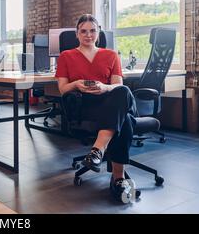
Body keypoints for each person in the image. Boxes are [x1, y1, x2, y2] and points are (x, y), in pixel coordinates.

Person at [55, 14, 137, 200]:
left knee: (122, 91)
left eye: (92, 30)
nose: (88, 35)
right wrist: (76, 84)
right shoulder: (66, 56)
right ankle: (118, 179)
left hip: (109, 103)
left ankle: (97, 150)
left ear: (98, 32)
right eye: (83, 31)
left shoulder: (111, 55)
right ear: (77, 34)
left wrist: (104, 87)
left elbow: (117, 85)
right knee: (126, 120)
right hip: (85, 106)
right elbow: (62, 89)